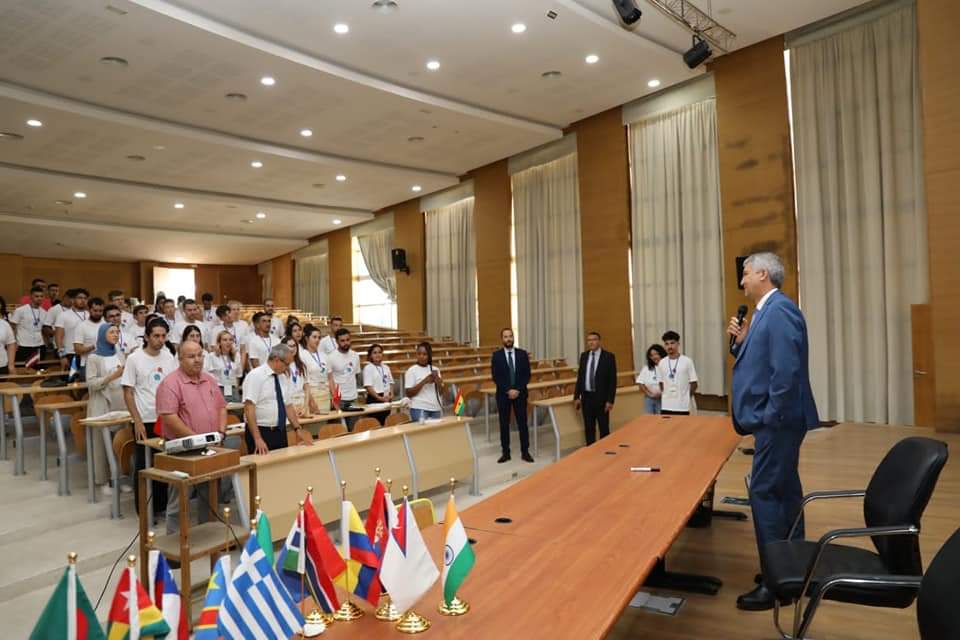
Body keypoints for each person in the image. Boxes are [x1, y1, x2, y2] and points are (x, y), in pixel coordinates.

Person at [727, 252, 819, 612]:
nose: (742, 281)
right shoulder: (765, 313)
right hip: (778, 421)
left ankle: (774, 581)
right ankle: (790, 569)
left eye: (746, 273)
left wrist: (770, 416)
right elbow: (761, 362)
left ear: (763, 274)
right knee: (785, 492)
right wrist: (741, 342)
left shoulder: (779, 311)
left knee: (764, 493)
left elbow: (786, 371)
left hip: (777, 423)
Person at [155, 340, 228, 533]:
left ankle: (209, 537)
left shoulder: (209, 379)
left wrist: (221, 432)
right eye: (191, 356)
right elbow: (169, 417)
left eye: (200, 355)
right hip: (183, 451)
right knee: (180, 499)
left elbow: (221, 407)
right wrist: (197, 440)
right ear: (180, 359)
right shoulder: (170, 383)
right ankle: (174, 542)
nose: (197, 360)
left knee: (210, 496)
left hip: (211, 448)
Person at [122, 318, 178, 517]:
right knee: (144, 464)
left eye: (163, 336)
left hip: (165, 417)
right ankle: (144, 510)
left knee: (163, 463)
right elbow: (128, 392)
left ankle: (161, 506)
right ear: (146, 336)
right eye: (156, 336)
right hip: (144, 419)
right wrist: (136, 420)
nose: (160, 340)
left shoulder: (168, 356)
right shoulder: (134, 359)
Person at [242, 344, 312, 454]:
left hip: (280, 431)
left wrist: (297, 428)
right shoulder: (255, 376)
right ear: (276, 360)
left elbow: (288, 406)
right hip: (261, 431)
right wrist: (257, 438)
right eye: (286, 364)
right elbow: (249, 408)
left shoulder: (282, 377)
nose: (287, 368)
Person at [85, 323, 128, 495]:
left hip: (120, 400)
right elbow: (91, 383)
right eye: (111, 332)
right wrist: (112, 377)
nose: (115, 334)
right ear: (103, 335)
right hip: (102, 402)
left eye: (117, 332)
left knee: (119, 443)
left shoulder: (120, 354)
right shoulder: (93, 358)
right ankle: (103, 481)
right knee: (102, 444)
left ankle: (119, 478)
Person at [490, 328, 533, 463]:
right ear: (502, 339)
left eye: (510, 336)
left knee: (522, 423)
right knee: (504, 424)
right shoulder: (496, 356)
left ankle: (525, 452)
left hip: (520, 393)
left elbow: (527, 375)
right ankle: (505, 453)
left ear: (513, 338)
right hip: (503, 395)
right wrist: (508, 390)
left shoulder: (522, 354)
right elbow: (496, 376)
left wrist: (517, 390)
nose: (508, 339)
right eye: (505, 337)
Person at [573, 332, 617, 445]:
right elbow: (580, 378)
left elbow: (612, 381)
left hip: (601, 398)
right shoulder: (584, 356)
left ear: (599, 341)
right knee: (589, 427)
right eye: (589, 340)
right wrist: (576, 396)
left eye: (594, 339)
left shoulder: (608, 357)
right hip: (587, 398)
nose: (591, 342)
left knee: (603, 427)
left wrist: (610, 400)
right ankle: (590, 450)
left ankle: (605, 449)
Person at [656, 331, 698, 416]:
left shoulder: (687, 361)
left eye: (672, 343)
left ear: (678, 344)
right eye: (667, 344)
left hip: (683, 405)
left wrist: (686, 397)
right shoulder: (662, 362)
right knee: (666, 424)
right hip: (666, 405)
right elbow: (660, 383)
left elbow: (694, 383)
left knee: (683, 424)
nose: (669, 346)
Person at [326, 328, 361, 427]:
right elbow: (329, 380)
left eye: (348, 340)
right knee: (339, 429)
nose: (346, 343)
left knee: (354, 428)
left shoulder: (355, 355)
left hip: (353, 398)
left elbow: (356, 375)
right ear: (337, 341)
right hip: (339, 399)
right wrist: (334, 399)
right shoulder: (331, 357)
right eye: (342, 341)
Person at [9, 285, 50, 362]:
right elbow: (12, 327)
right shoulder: (20, 310)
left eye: (41, 296)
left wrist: (46, 343)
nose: (39, 298)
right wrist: (14, 342)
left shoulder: (45, 312)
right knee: (22, 367)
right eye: (36, 296)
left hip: (39, 345)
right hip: (23, 345)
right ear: (31, 297)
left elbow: (44, 330)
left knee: (37, 367)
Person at [404, 342, 443, 422]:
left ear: (429, 355)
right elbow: (408, 393)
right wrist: (424, 381)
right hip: (419, 409)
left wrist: (438, 382)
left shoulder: (435, 369)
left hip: (435, 408)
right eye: (419, 354)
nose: (421, 356)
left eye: (425, 354)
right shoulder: (411, 370)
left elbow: (441, 392)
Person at [205, 330, 243, 401]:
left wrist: (236, 389)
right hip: (218, 388)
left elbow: (238, 375)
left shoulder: (236, 356)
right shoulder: (212, 356)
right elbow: (206, 375)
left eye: (230, 340)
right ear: (219, 342)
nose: (228, 342)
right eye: (225, 340)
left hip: (232, 389)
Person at [301, 324, 331, 415]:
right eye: (314, 337)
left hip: (325, 395)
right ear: (307, 338)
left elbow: (330, 378)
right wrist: (311, 402)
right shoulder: (302, 355)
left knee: (325, 422)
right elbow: (303, 382)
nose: (317, 340)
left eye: (319, 337)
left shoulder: (324, 355)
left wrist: (334, 397)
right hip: (312, 396)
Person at [55, 288, 88, 370]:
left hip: (88, 353)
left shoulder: (90, 315)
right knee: (72, 378)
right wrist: (62, 356)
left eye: (85, 298)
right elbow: (58, 338)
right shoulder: (63, 315)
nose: (83, 300)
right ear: (72, 300)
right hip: (71, 354)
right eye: (80, 298)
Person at [362, 344, 394, 425]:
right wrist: (379, 398)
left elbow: (391, 383)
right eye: (375, 353)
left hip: (386, 398)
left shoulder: (386, 367)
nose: (378, 355)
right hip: (374, 399)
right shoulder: (368, 368)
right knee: (375, 425)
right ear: (370, 355)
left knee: (386, 424)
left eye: (379, 352)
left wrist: (391, 395)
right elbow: (368, 387)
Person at [73, 297, 105, 378]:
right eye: (95, 310)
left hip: (105, 364)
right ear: (89, 309)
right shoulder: (81, 326)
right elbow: (77, 349)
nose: (98, 313)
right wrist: (94, 346)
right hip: (87, 365)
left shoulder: (106, 324)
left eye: (100, 311)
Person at [636, 344, 667, 414]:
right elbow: (640, 383)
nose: (654, 357)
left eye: (656, 354)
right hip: (649, 398)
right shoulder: (646, 368)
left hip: (664, 398)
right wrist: (649, 394)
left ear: (661, 354)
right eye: (651, 355)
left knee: (662, 418)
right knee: (649, 418)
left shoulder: (667, 366)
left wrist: (661, 394)